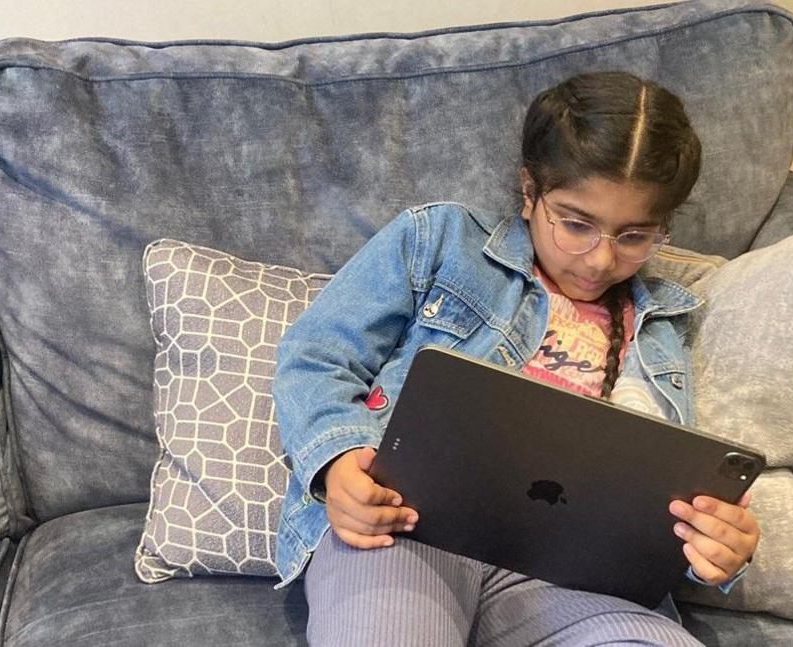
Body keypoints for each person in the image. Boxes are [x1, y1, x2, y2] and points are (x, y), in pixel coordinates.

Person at [272, 71, 760, 646]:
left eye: (633, 236)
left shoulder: (663, 327)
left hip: (577, 580)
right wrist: (339, 463)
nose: (600, 259)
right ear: (529, 191)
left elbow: (663, 499)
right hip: (407, 532)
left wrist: (721, 545)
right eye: (576, 224)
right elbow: (315, 355)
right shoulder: (440, 241)